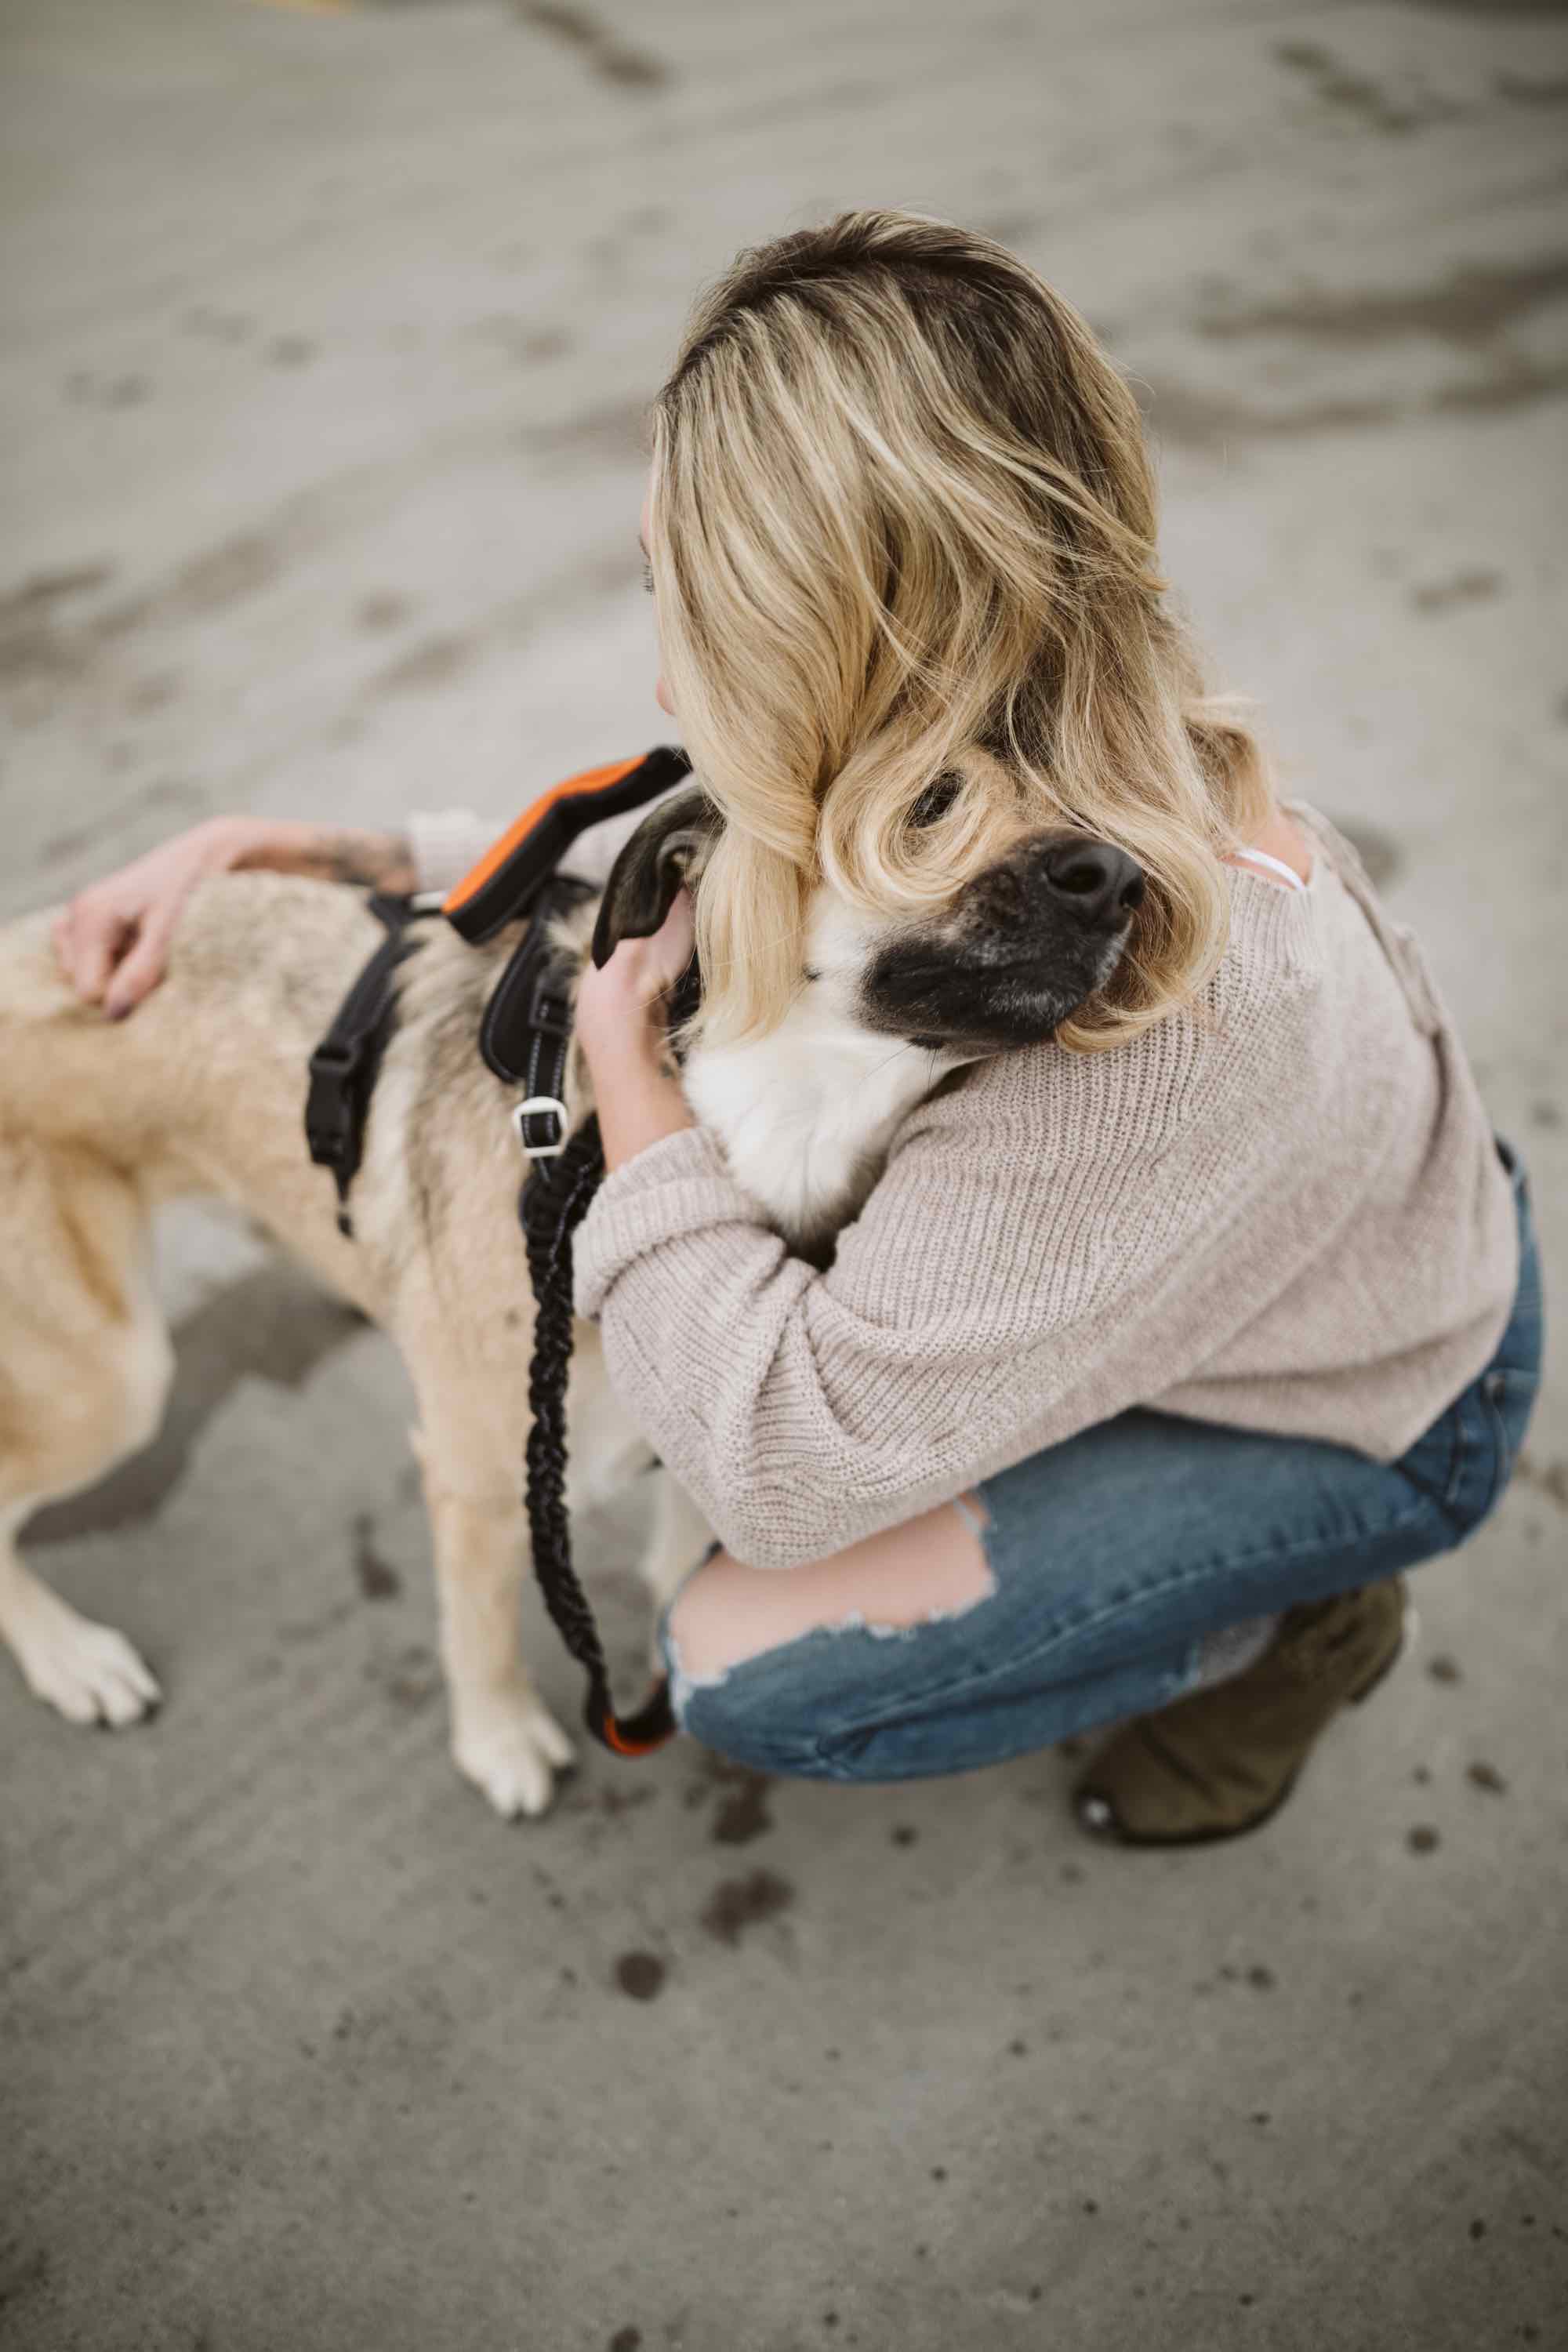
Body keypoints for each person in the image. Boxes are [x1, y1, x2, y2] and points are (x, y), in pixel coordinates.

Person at [54, 212, 1541, 1844]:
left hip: (1356, 1402)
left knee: (755, 1668)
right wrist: (278, 852)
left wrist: (629, 1082)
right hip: (1282, 1244)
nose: (673, 691)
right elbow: (676, 851)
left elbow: (781, 1455)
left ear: (858, 640)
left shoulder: (1139, 1010)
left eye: (691, 609)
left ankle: (1303, 1619)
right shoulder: (1031, 737)